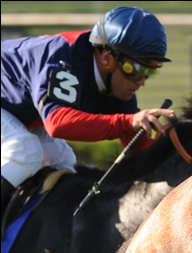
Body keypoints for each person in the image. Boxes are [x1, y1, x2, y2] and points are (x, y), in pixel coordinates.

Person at [1, 6, 175, 218]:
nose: (141, 81)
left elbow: (137, 144)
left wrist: (170, 153)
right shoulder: (63, 57)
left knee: (62, 160)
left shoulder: (117, 82)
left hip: (15, 112)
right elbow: (58, 123)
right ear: (107, 57)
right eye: (136, 69)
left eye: (150, 71)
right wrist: (128, 122)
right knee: (24, 151)